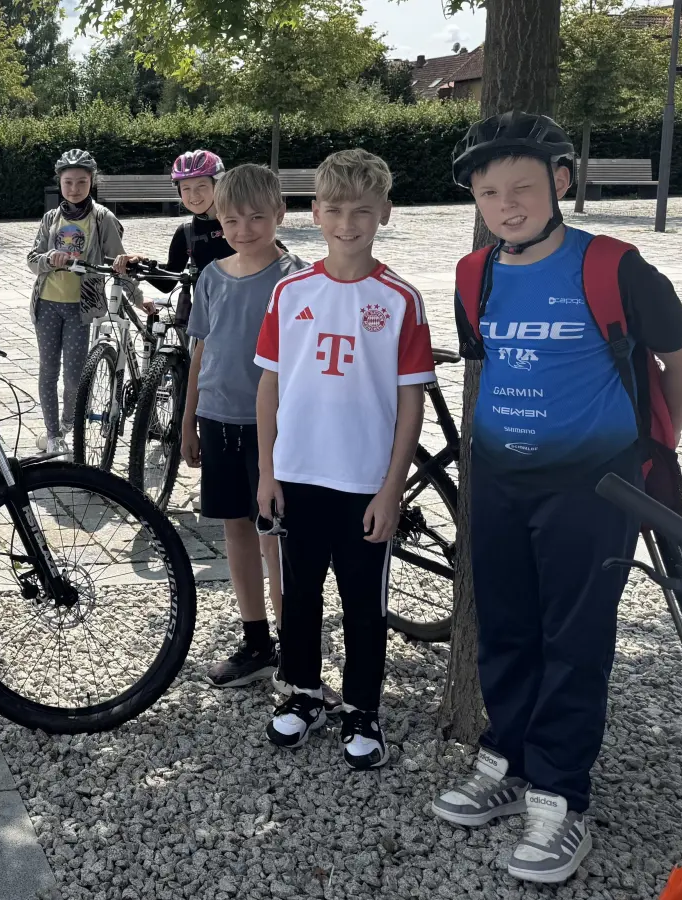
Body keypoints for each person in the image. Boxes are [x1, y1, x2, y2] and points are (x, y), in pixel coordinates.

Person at [431, 112, 682, 884]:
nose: (506, 204)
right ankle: (507, 757)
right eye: (489, 193)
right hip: (500, 477)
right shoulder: (471, 274)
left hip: (596, 485)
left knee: (574, 637)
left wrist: (656, 441)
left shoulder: (616, 266)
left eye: (521, 186)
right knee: (507, 623)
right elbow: (487, 356)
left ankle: (559, 797)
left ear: (560, 181)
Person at [253, 148, 433, 771]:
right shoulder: (290, 290)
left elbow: (411, 404)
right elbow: (269, 386)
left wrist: (392, 489)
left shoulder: (402, 299)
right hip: (298, 475)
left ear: (384, 212)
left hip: (364, 482)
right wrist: (266, 472)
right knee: (300, 593)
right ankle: (301, 691)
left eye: (362, 210)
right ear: (314, 213)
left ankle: (362, 705)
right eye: (334, 209)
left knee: (364, 602)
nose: (347, 223)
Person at [181, 164, 304, 689]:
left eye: (257, 217)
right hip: (217, 418)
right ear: (218, 219)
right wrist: (186, 420)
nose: (245, 229)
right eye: (232, 219)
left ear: (280, 214)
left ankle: (295, 643)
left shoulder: (296, 278)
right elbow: (201, 349)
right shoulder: (211, 276)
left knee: (274, 534)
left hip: (273, 427)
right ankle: (257, 639)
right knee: (235, 527)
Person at [25, 149, 139, 454]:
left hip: (80, 307)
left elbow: (121, 262)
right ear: (59, 183)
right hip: (47, 304)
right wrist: (50, 258)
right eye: (68, 182)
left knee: (75, 378)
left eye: (81, 182)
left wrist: (138, 299)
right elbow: (33, 259)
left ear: (92, 182)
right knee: (48, 371)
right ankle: (52, 435)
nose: (74, 189)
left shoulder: (102, 218)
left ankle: (66, 423)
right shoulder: (51, 218)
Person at [114, 149, 233, 319]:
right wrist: (140, 262)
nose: (194, 195)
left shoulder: (239, 224)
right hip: (206, 318)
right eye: (186, 188)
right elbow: (167, 283)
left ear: (218, 185)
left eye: (202, 186)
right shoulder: (186, 232)